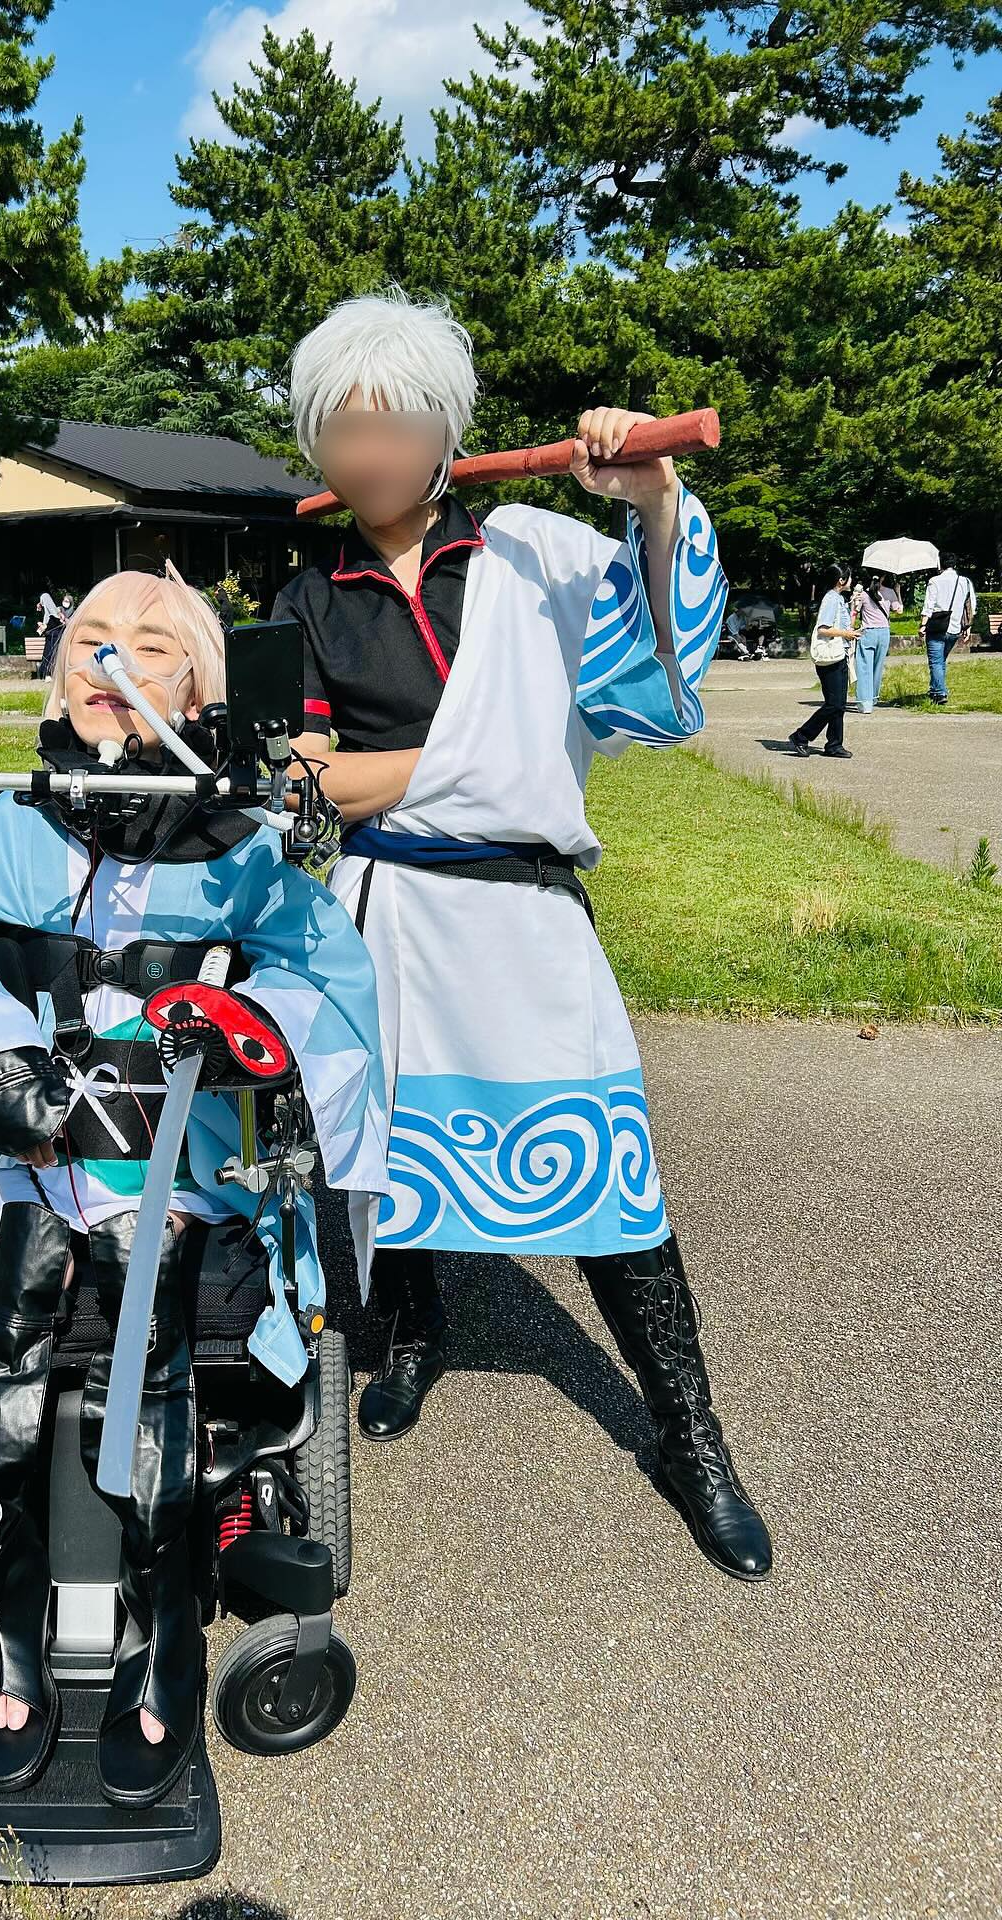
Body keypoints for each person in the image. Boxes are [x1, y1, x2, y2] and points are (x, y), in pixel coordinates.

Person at [0, 564, 387, 1802]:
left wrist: (250, 1026)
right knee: (10, 1352)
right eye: (90, 638)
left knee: (152, 1333)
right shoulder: (8, 832)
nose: (110, 657)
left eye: (150, 643)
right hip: (21, 1170)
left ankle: (162, 1638)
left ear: (203, 688)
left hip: (182, 1171)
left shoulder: (244, 853)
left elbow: (329, 981)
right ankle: (11, 1639)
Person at [274, 287, 772, 1583]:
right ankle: (419, 1331)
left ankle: (691, 1435)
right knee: (393, 1157)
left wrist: (652, 504)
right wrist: (464, 765)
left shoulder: (537, 556)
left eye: (396, 425)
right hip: (385, 915)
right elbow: (304, 783)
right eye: (342, 429)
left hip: (525, 910)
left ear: (448, 433)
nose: (369, 453)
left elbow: (656, 694)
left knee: (613, 1182)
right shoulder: (310, 594)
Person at [787, 565, 856, 758]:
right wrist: (846, 634)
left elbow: (841, 624)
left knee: (839, 704)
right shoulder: (831, 599)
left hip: (839, 655)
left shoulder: (839, 599)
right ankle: (801, 735)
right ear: (841, 580)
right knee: (834, 704)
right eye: (849, 577)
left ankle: (834, 744)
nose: (852, 580)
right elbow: (823, 629)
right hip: (830, 658)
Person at [919, 551, 975, 703]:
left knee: (936, 662)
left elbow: (928, 606)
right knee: (941, 660)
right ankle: (935, 690)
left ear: (940, 564)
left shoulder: (934, 581)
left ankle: (940, 692)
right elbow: (970, 606)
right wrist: (967, 627)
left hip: (937, 627)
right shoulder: (965, 582)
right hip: (955, 628)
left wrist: (923, 625)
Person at [850, 571, 902, 714]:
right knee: (877, 668)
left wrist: (850, 629)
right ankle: (873, 698)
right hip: (884, 633)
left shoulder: (863, 594)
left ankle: (865, 703)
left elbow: (854, 612)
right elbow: (899, 611)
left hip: (868, 632)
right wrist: (898, 592)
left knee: (864, 668)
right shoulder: (890, 592)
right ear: (883, 577)